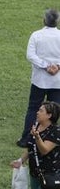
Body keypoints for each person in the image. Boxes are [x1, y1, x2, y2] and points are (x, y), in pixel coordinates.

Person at [21, 8, 60, 148]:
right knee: (54, 112)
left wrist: (45, 66)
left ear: (44, 20)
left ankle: (27, 138)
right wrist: (56, 66)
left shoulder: (36, 35)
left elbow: (30, 55)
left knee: (33, 108)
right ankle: (51, 139)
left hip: (40, 80)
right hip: (57, 80)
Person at [12, 101, 60, 189]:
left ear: (49, 115)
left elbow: (44, 150)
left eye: (41, 111)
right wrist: (20, 161)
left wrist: (37, 137)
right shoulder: (36, 126)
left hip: (50, 175)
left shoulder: (56, 132)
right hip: (35, 173)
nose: (37, 112)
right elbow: (30, 147)